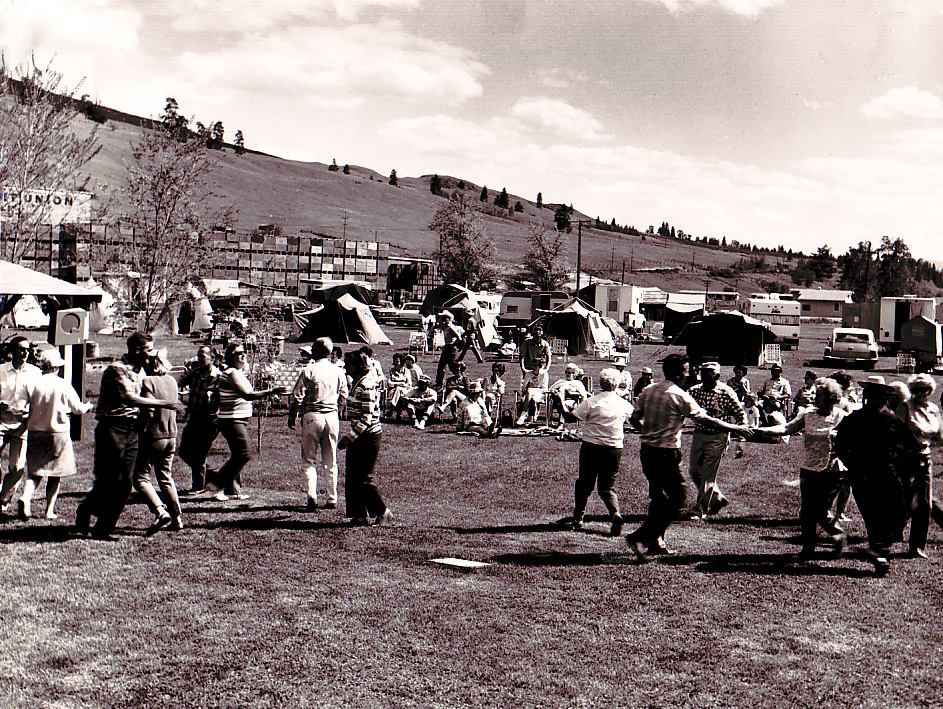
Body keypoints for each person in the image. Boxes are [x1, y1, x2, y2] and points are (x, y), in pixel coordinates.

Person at [625, 353, 749, 561]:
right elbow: (706, 419)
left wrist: (647, 433)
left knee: (658, 496)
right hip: (666, 453)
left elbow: (635, 418)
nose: (688, 374)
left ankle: (655, 543)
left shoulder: (649, 390)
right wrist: (736, 427)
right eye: (685, 371)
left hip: (647, 451)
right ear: (676, 373)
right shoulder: (678, 395)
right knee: (679, 497)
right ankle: (641, 537)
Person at [75, 332, 182, 540]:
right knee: (110, 480)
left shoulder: (141, 371)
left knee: (126, 482)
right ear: (137, 350)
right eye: (149, 350)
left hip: (132, 428)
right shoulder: (116, 369)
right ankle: (85, 510)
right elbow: (129, 398)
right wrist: (165, 404)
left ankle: (103, 529)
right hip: (112, 427)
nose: (153, 355)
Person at [833, 375, 920, 576]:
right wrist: (853, 466)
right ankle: (880, 556)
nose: (874, 400)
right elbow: (840, 446)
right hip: (867, 474)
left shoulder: (891, 420)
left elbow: (911, 445)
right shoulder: (854, 420)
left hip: (882, 473)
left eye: (878, 397)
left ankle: (879, 550)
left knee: (900, 510)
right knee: (875, 516)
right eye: (871, 396)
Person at [757, 378, 849, 560]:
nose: (815, 398)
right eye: (816, 394)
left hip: (832, 470)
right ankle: (808, 548)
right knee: (806, 511)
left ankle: (838, 535)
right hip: (808, 468)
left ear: (832, 397)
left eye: (820, 395)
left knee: (821, 510)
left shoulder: (842, 417)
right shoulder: (808, 415)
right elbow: (787, 428)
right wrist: (763, 430)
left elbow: (852, 442)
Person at [16, 348, 93, 520]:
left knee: (35, 471)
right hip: (58, 432)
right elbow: (77, 409)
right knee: (55, 473)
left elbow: (21, 408)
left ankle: (25, 497)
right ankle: (49, 510)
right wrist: (88, 406)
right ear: (57, 367)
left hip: (35, 432)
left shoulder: (33, 383)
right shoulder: (63, 384)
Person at [207, 342, 287, 502]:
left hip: (236, 418)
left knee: (238, 455)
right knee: (244, 454)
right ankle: (216, 485)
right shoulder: (232, 373)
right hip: (231, 419)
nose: (243, 355)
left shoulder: (235, 372)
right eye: (239, 353)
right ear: (231, 357)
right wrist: (271, 391)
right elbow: (247, 395)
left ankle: (232, 490)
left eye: (244, 352)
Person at [569, 368, 635, 536]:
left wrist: (560, 403)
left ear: (600, 383)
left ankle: (578, 518)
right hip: (613, 448)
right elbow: (636, 421)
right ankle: (615, 514)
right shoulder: (623, 403)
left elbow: (572, 417)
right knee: (607, 486)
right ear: (617, 384)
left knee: (585, 483)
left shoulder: (592, 401)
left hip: (591, 446)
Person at [288, 337, 349, 511]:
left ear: (315, 351)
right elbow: (344, 394)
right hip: (331, 415)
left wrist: (292, 416)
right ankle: (332, 498)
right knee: (330, 459)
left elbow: (297, 396)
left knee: (309, 459)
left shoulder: (310, 369)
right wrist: (339, 409)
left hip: (312, 415)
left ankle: (312, 497)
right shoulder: (338, 370)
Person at [685, 360, 747, 519]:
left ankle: (700, 509)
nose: (704, 378)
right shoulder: (694, 391)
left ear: (717, 376)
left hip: (718, 437)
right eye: (702, 374)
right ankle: (716, 498)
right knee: (694, 471)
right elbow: (682, 406)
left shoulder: (726, 392)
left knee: (708, 474)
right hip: (699, 434)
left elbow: (740, 415)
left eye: (708, 375)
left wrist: (740, 440)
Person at [132, 350, 184, 534]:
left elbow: (149, 410)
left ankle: (160, 512)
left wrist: (138, 427)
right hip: (171, 435)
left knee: (140, 477)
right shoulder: (172, 381)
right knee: (165, 477)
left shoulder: (148, 382)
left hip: (154, 435)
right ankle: (177, 519)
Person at [338, 351, 392, 526]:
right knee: (352, 477)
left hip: (368, 437)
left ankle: (383, 512)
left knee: (364, 478)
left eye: (349, 364)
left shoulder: (366, 385)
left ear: (359, 366)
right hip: (359, 434)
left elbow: (367, 417)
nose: (346, 367)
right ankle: (358, 515)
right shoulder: (356, 383)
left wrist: (349, 437)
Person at [895, 373, 941, 559]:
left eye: (925, 390)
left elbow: (940, 437)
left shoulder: (934, 409)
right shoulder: (904, 408)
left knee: (924, 504)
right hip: (905, 459)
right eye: (916, 390)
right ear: (912, 391)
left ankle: (916, 547)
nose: (921, 393)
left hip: (925, 459)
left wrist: (927, 440)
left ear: (930, 391)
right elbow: (895, 434)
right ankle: (887, 536)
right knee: (903, 502)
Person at [0, 336, 42, 510]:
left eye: (27, 349)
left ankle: (3, 500)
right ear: (12, 351)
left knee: (17, 466)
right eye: (21, 349)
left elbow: (39, 399)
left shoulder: (34, 372)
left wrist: (30, 420)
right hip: (1, 421)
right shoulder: (1, 370)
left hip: (23, 424)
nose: (25, 352)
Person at [177, 345, 222, 496]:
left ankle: (198, 487)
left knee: (199, 454)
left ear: (212, 358)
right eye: (198, 355)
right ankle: (216, 475)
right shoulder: (195, 374)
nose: (199, 359)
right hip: (194, 418)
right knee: (184, 451)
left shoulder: (219, 377)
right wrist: (187, 370)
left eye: (203, 356)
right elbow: (180, 383)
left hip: (210, 420)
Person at [516, 354, 549, 426]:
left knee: (530, 392)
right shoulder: (529, 374)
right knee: (531, 397)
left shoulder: (544, 374)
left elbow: (544, 389)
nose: (533, 367)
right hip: (529, 395)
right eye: (533, 365)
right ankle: (530, 418)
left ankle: (523, 415)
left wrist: (531, 390)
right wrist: (527, 390)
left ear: (540, 366)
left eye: (535, 365)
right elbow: (524, 387)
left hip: (540, 393)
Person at [435, 311, 464, 388]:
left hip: (451, 348)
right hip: (446, 347)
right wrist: (439, 318)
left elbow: (459, 337)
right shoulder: (445, 326)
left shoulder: (451, 327)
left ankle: (461, 380)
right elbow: (438, 325)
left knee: (454, 367)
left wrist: (454, 344)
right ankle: (439, 383)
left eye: (445, 318)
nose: (443, 319)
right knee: (441, 366)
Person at [518, 324, 552, 389]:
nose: (537, 335)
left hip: (540, 369)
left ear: (542, 333)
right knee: (525, 388)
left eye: (539, 333)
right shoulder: (526, 342)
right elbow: (522, 356)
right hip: (528, 368)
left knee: (541, 387)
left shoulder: (545, 344)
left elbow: (549, 358)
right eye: (535, 333)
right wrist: (523, 368)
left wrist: (546, 368)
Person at [385, 353, 412, 418]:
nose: (396, 363)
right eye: (394, 362)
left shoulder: (407, 371)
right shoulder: (391, 371)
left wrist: (396, 384)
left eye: (397, 362)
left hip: (404, 391)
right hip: (393, 391)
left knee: (399, 389)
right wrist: (401, 384)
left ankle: (392, 407)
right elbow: (389, 383)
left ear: (402, 362)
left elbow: (409, 384)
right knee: (398, 390)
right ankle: (394, 409)